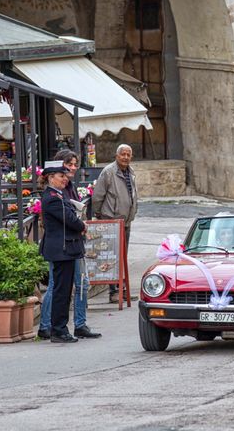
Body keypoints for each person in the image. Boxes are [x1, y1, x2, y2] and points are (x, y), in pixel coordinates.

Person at [38, 150, 101, 339]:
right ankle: (55, 328)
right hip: (61, 249)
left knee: (66, 289)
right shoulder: (52, 198)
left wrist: (78, 222)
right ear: (51, 177)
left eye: (65, 175)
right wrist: (81, 225)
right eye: (61, 175)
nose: (65, 178)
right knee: (60, 290)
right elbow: (70, 219)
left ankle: (65, 328)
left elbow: (71, 215)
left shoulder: (59, 195)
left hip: (68, 248)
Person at [92, 144, 138, 303]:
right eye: (123, 154)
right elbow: (97, 196)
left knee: (122, 256)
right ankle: (114, 292)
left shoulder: (130, 172)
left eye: (128, 154)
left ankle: (121, 289)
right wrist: (100, 215)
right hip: (111, 221)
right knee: (112, 256)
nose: (125, 157)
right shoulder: (109, 172)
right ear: (116, 156)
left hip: (125, 222)